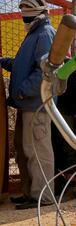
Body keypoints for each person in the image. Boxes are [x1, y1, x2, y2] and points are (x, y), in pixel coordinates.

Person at [0, 0, 55, 209]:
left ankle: (43, 197)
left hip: (36, 104)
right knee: (26, 151)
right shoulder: (33, 34)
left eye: (26, 14)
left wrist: (22, 91)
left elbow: (45, 71)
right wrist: (4, 61)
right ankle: (30, 193)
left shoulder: (45, 34)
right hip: (26, 104)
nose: (23, 17)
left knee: (38, 151)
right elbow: (23, 64)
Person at [51, 57, 76, 201]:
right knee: (59, 148)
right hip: (58, 113)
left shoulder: (69, 72)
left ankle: (70, 187)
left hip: (64, 114)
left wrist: (71, 110)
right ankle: (63, 186)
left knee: (67, 149)